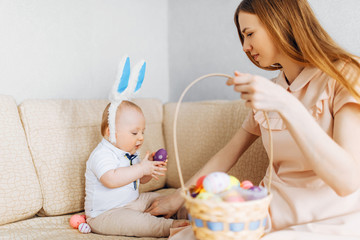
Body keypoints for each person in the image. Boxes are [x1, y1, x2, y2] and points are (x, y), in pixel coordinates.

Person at [145, 0, 360, 239]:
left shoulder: (344, 74)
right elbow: (227, 155)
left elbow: (348, 181)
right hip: (267, 216)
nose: (245, 47)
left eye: (249, 34)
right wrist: (178, 199)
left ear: (279, 23)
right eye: (242, 37)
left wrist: (285, 105)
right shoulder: (271, 90)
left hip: (330, 221)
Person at [84, 100, 189, 237]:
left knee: (162, 200)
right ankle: (169, 226)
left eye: (142, 132)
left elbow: (141, 179)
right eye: (134, 133)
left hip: (133, 202)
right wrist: (141, 168)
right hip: (105, 214)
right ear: (111, 132)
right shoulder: (102, 154)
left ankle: (188, 212)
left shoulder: (130, 153)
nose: (140, 138)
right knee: (139, 222)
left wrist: (150, 168)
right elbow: (111, 179)